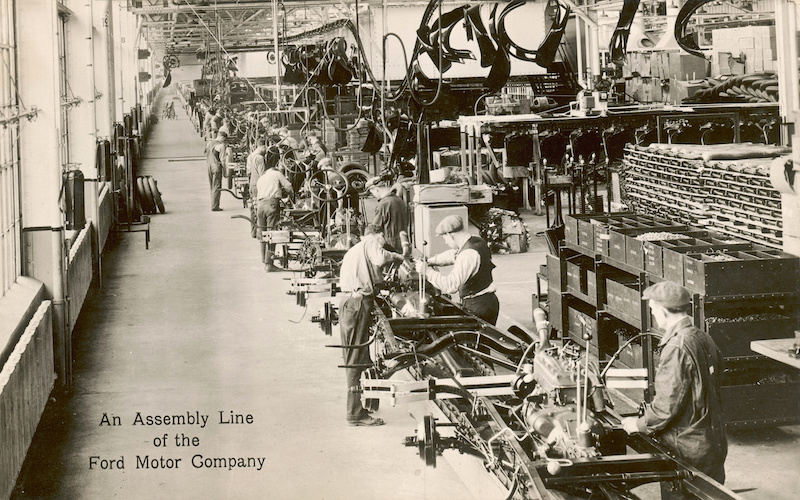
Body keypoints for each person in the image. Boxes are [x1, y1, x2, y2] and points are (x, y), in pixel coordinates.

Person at [621, 282, 727, 494]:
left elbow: (665, 407)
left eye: (652, 310)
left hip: (687, 448)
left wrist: (639, 424)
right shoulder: (702, 336)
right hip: (711, 441)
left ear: (662, 310)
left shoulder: (677, 347)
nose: (653, 314)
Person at [338, 225, 405, 426]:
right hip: (358, 303)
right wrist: (398, 257)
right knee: (356, 358)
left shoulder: (355, 249)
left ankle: (359, 406)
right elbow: (380, 258)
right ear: (380, 235)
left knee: (358, 355)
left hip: (350, 302)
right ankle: (355, 414)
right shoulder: (371, 242)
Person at [416, 215, 499, 325]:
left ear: (450, 234)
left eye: (444, 237)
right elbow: (453, 255)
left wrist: (427, 272)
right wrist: (430, 261)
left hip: (479, 307)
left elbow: (451, 285)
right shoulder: (474, 242)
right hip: (484, 302)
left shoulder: (468, 254)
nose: (445, 242)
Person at [255, 159, 293, 272]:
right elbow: (289, 186)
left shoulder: (261, 178)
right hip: (271, 204)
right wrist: (291, 195)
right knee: (272, 235)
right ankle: (269, 264)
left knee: (263, 235)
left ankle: (264, 260)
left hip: (260, 206)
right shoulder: (277, 174)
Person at [366, 177, 409, 252]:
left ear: (376, 189)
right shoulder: (399, 200)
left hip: (389, 247)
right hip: (403, 243)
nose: (374, 195)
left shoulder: (383, 205)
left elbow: (375, 229)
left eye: (372, 193)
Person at [247, 137, 268, 238]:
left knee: (253, 209)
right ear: (263, 146)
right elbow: (262, 175)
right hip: (257, 187)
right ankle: (259, 234)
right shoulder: (259, 158)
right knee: (259, 211)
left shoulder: (251, 156)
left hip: (252, 184)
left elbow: (249, 172)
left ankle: (253, 232)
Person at [206, 131, 228, 212]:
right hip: (216, 167)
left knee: (212, 186)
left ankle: (213, 203)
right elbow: (223, 160)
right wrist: (225, 171)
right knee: (217, 186)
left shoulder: (209, 143)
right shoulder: (221, 146)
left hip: (209, 166)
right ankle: (215, 206)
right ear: (223, 138)